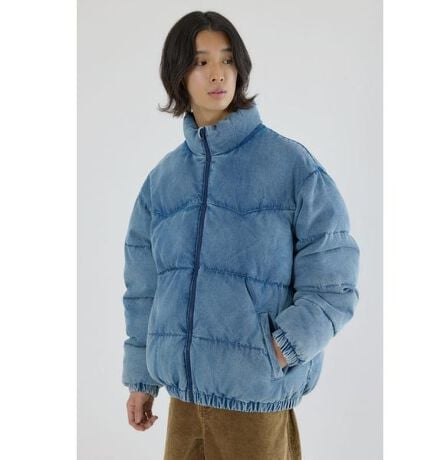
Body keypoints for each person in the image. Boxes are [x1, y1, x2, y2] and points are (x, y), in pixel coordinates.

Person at [122, 10, 360, 460]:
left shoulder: (292, 167)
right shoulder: (162, 182)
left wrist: (280, 349)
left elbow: (335, 284)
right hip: (184, 404)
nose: (218, 73)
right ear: (178, 75)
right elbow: (144, 288)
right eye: (201, 62)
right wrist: (141, 378)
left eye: (227, 60)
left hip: (255, 404)